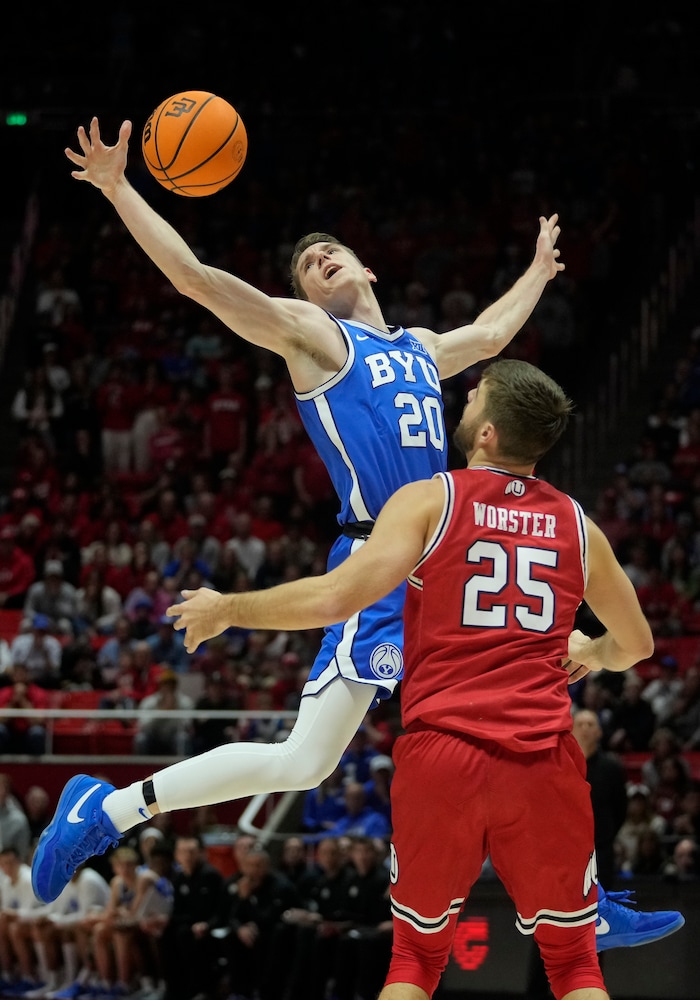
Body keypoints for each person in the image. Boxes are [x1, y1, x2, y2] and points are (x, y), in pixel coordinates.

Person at [31, 122, 669, 952]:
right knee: (307, 761)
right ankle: (105, 808)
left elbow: (489, 336)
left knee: (515, 723)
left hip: (440, 560)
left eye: (332, 252)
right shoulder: (313, 337)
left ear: (368, 268)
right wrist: (119, 189)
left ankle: (578, 897)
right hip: (381, 561)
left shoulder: (419, 348)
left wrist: (538, 273)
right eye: (306, 264)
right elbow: (195, 281)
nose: (320, 261)